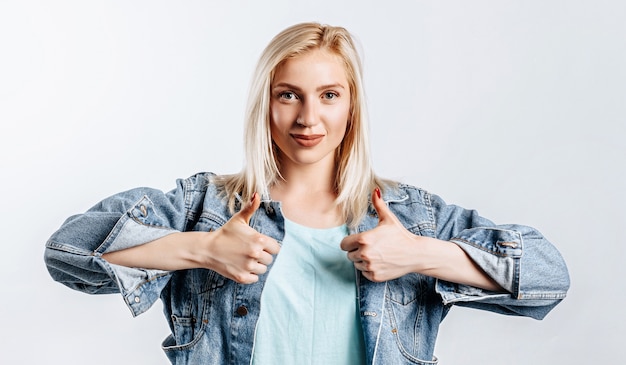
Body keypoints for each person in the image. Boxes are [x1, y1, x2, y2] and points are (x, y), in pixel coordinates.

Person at [44, 22, 570, 365]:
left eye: (329, 96)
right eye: (288, 95)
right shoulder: (204, 206)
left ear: (351, 108)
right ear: (265, 105)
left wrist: (420, 254)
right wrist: (202, 249)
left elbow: (548, 279)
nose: (308, 118)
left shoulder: (411, 218)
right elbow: (67, 253)